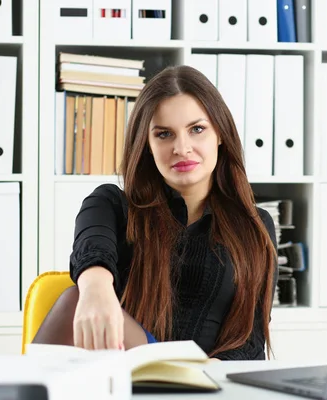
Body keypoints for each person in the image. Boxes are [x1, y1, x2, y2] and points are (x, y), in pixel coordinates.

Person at [32, 64, 279, 360]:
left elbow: (251, 342)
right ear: (147, 144)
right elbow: (92, 246)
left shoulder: (255, 226)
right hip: (129, 373)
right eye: (164, 134)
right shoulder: (111, 204)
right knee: (76, 297)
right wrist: (95, 289)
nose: (182, 148)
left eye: (197, 129)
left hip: (208, 382)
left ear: (220, 134)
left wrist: (207, 373)